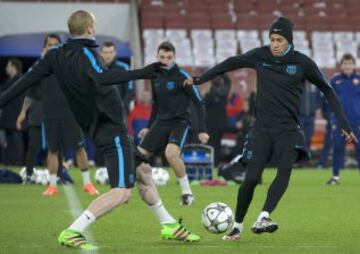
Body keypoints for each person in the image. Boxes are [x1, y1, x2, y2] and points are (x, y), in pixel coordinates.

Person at [0, 10, 199, 250]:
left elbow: (25, 82)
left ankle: (169, 225)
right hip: (110, 128)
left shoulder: (55, 56)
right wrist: (143, 72)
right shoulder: (86, 52)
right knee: (122, 192)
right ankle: (74, 231)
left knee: (143, 171)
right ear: (90, 29)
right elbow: (101, 77)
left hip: (97, 127)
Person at [184, 17, 357, 240]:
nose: (274, 44)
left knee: (285, 169)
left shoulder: (303, 63)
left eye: (279, 40)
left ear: (289, 41)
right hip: (262, 128)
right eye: (272, 39)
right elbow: (230, 63)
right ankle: (237, 225)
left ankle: (264, 216)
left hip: (288, 128)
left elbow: (328, 90)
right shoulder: (261, 55)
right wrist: (200, 79)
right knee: (252, 178)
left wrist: (343, 123)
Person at [137, 42, 209, 205]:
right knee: (138, 157)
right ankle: (136, 190)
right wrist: (148, 126)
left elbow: (198, 102)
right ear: (157, 57)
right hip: (161, 121)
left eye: (169, 58)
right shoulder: (155, 75)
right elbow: (155, 104)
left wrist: (202, 130)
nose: (165, 61)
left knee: (171, 154)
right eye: (162, 57)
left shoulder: (183, 76)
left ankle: (187, 193)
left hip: (180, 122)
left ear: (174, 57)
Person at [326, 54, 360, 185]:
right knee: (337, 148)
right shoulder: (335, 80)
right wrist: (332, 119)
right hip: (339, 122)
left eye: (350, 63)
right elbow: (328, 100)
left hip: (356, 122)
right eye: (345, 63)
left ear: (354, 65)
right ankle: (335, 177)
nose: (347, 66)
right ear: (341, 65)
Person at [0, 58, 25, 165]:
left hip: (16, 115)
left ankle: (18, 161)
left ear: (13, 67)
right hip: (8, 116)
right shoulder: (9, 81)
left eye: (8, 66)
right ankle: (9, 160)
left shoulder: (21, 79)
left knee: (16, 138)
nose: (6, 68)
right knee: (8, 139)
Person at [100, 41, 134, 116]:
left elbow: (130, 91)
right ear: (101, 53)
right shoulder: (97, 68)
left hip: (119, 113)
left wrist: (123, 108)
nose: (108, 55)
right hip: (101, 114)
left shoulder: (124, 68)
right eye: (105, 52)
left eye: (111, 52)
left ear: (115, 53)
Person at [204, 75, 230, 165]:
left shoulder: (209, 95)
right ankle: (216, 162)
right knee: (217, 145)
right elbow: (228, 82)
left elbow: (202, 106)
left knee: (212, 145)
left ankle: (212, 163)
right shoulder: (224, 94)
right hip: (222, 124)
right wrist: (222, 73)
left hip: (211, 125)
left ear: (211, 83)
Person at [299, 80, 321, 150]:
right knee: (299, 137)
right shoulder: (296, 82)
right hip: (299, 116)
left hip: (311, 116)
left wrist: (314, 106)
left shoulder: (314, 83)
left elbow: (318, 97)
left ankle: (307, 155)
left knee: (309, 136)